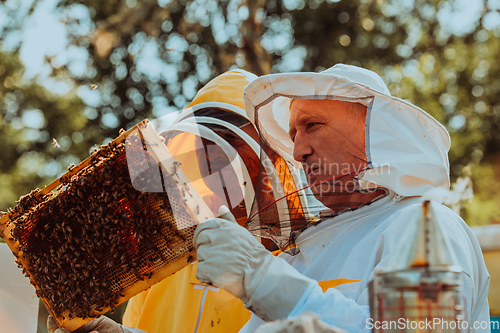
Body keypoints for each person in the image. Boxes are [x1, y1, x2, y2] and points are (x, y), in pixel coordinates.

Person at [192, 64, 490, 332]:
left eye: (312, 125)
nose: (298, 151)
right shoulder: (301, 256)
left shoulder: (424, 227)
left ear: (371, 129)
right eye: (293, 135)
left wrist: (265, 281)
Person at [48, 69, 314, 333]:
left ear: (272, 164)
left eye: (228, 158)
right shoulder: (164, 266)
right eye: (204, 157)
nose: (215, 174)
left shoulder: (302, 267)